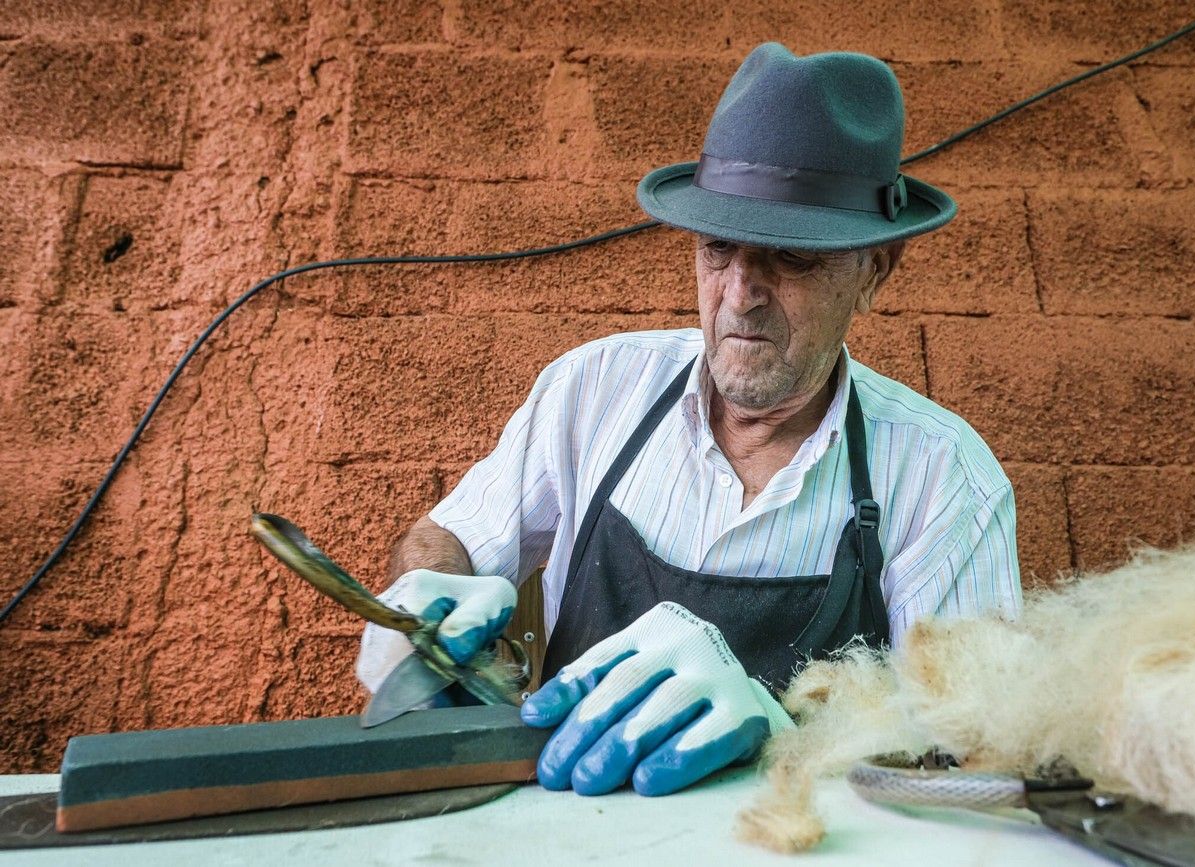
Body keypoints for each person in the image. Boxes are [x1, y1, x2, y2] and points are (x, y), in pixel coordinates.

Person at [356, 42, 1021, 798]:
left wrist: (785, 731)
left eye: (790, 257)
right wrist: (425, 591)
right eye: (717, 247)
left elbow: (976, 753)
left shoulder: (944, 480)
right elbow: (450, 537)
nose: (740, 293)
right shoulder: (592, 391)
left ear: (874, 271)